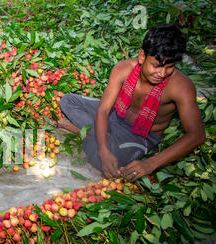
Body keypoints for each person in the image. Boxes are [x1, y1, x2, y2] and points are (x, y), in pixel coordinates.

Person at [58, 24, 205, 181]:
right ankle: (99, 138)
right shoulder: (123, 69)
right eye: (156, 65)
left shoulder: (181, 87)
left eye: (169, 67)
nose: (162, 73)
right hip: (115, 115)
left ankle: (88, 134)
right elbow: (103, 111)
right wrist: (103, 150)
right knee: (69, 101)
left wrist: (150, 164)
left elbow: (197, 135)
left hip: (141, 135)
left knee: (111, 160)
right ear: (142, 56)